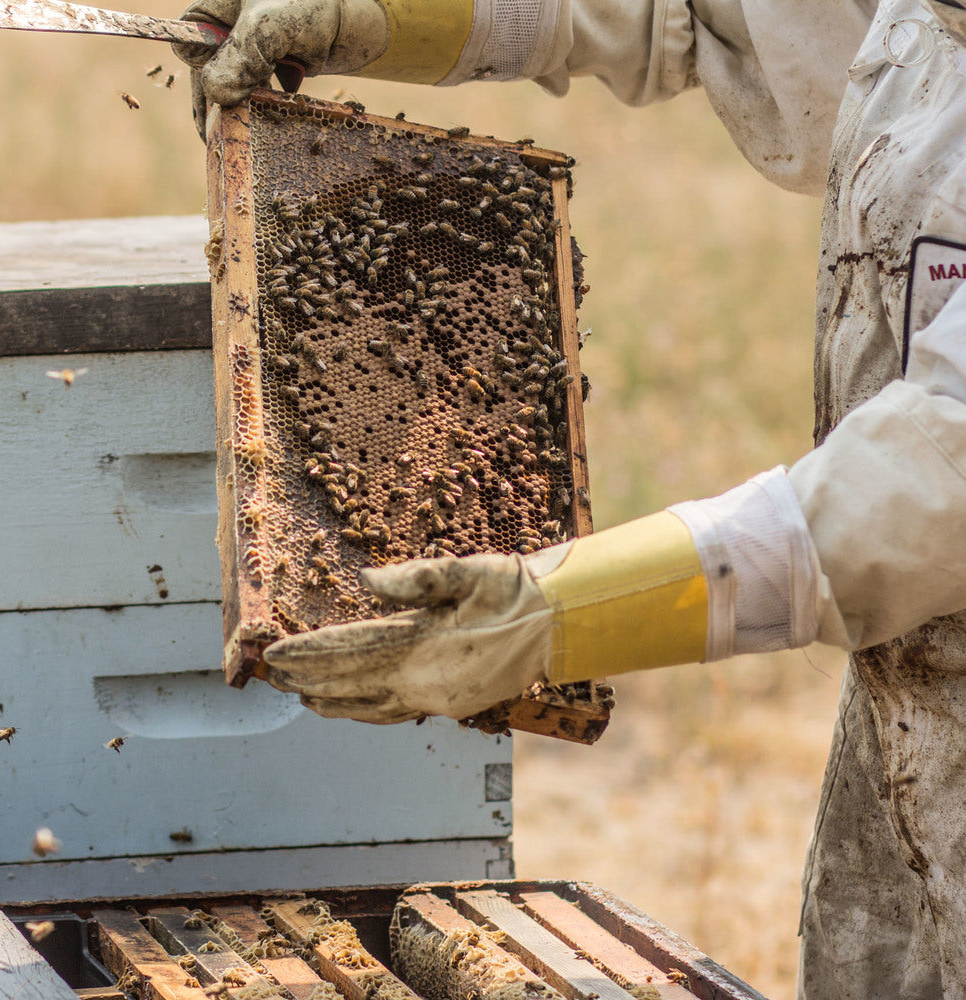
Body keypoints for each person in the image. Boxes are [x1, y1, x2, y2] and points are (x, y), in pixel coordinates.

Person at [174, 0, 966, 995]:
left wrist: (564, 611)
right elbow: (692, 13)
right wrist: (383, 13)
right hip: (911, 713)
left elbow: (936, 478)